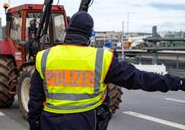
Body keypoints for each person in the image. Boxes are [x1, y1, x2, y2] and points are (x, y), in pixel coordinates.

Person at [28, 11, 185, 130]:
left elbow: (35, 99)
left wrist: (34, 125)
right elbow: (139, 78)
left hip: (50, 123)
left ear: (68, 30)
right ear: (89, 33)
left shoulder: (44, 57)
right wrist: (178, 82)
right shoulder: (100, 58)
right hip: (86, 122)